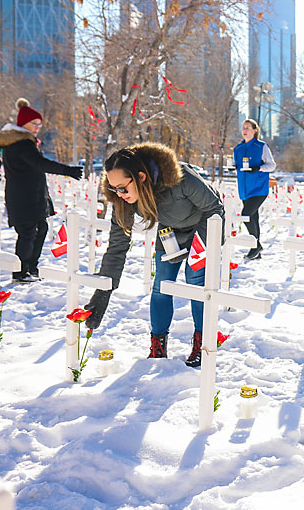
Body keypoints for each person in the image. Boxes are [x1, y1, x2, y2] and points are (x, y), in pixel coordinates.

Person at [83, 143, 225, 367]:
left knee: (196, 282)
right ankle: (158, 345)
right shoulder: (123, 198)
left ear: (140, 177)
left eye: (122, 187)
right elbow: (118, 244)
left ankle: (203, 342)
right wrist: (102, 293)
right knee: (160, 286)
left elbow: (214, 208)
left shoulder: (180, 178)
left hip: (203, 226)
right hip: (169, 233)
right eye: (114, 189)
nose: (119, 194)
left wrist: (202, 247)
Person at [0, 99, 83, 283]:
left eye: (39, 124)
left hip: (30, 195)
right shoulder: (21, 144)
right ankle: (21, 271)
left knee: (41, 228)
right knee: (27, 232)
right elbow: (39, 164)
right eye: (34, 123)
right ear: (23, 123)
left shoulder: (21, 142)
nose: (37, 127)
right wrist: (67, 170)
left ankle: (31, 268)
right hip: (24, 197)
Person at [233, 118, 276, 260]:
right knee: (253, 218)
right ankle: (257, 253)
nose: (244, 130)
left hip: (259, 189)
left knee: (246, 214)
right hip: (244, 189)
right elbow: (237, 165)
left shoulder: (261, 147)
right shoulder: (238, 149)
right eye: (243, 128)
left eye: (248, 128)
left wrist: (259, 168)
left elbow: (272, 165)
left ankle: (255, 245)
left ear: (255, 131)